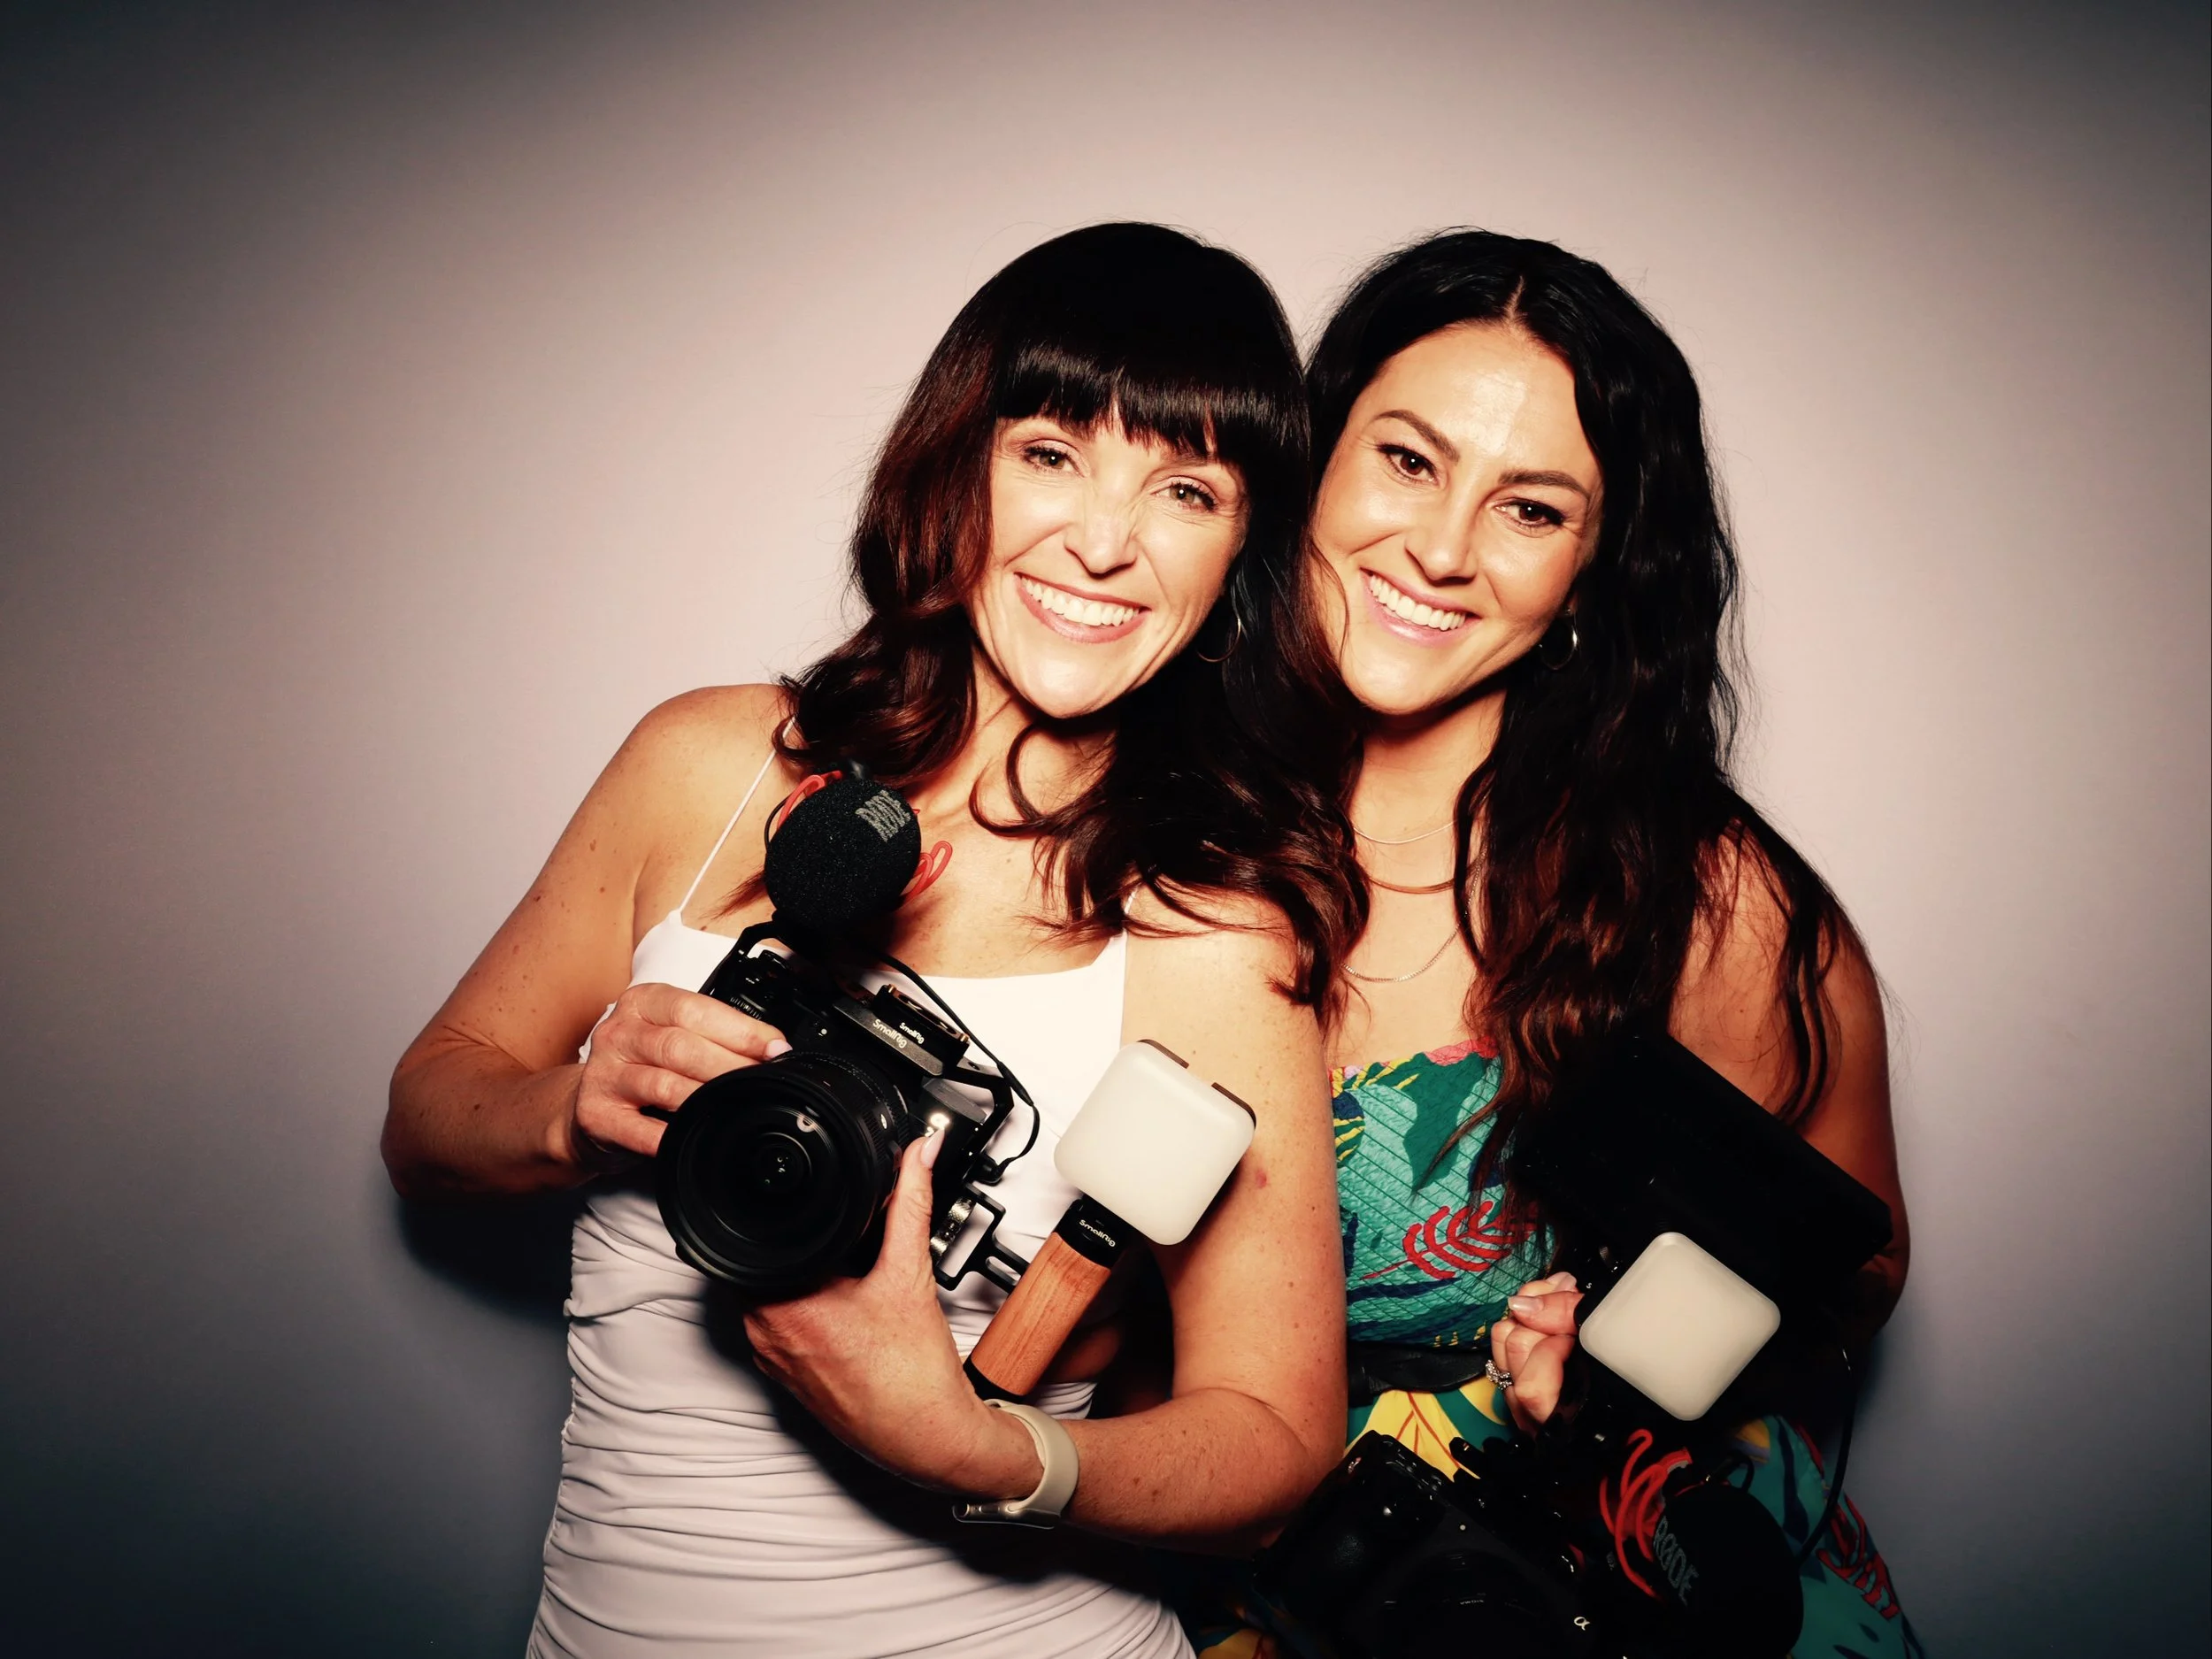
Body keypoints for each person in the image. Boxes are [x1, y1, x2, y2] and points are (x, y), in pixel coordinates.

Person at [382, 223, 1358, 1659]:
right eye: (1050, 453)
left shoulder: (1214, 921)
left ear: (1240, 554)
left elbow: (1277, 1438)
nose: (1104, 541)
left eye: (1186, 490)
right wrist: (572, 1106)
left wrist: (980, 1447)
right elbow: (425, 1118)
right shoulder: (713, 769)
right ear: (953, 462)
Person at [1196, 230, 1922, 1656]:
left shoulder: (1694, 895)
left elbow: (1857, 1264)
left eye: (1531, 508)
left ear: (1592, 573)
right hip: (1293, 1592)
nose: (1442, 549)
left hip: (1628, 1599)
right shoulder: (1158, 825)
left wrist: (1629, 1363)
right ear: (1314, 463)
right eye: (1407, 460)